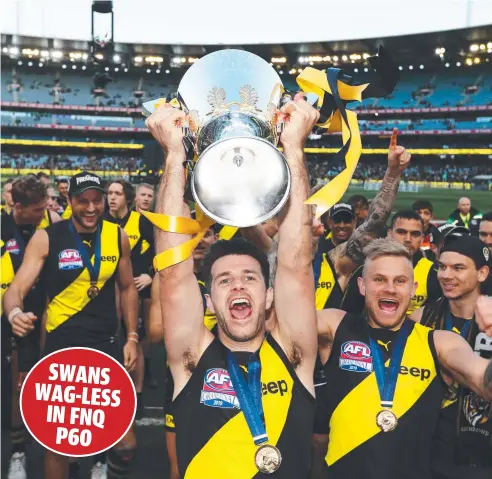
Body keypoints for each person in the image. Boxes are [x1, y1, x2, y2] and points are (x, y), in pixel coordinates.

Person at [144, 94, 318, 477]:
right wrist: (174, 157)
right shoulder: (192, 357)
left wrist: (293, 148)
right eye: (224, 280)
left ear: (269, 296)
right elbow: (173, 273)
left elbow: (295, 265)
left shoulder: (294, 353)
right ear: (209, 301)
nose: (238, 286)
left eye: (250, 278)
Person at [313, 238, 492, 479]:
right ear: (362, 285)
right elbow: (287, 320)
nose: (390, 288)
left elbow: (482, 378)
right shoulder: (336, 326)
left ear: (413, 289)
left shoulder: (439, 342)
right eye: (379, 280)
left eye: (400, 281)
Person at [3, 171, 139, 479]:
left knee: (126, 443)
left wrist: (131, 336)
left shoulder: (117, 235)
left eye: (96, 201)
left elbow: (128, 287)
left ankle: (101, 465)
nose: (91, 209)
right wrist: (14, 315)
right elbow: (16, 289)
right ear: (69, 201)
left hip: (106, 344)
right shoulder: (47, 236)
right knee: (59, 445)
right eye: (83, 202)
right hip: (61, 350)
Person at [410, 236, 491, 479]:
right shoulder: (421, 318)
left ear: (482, 273)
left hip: (483, 457)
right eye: (442, 267)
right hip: (428, 452)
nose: (446, 275)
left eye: (458, 268)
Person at [1, 176, 60, 479]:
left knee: (42, 380)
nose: (44, 212)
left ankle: (54, 446)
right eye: (37, 209)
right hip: (8, 315)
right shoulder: (2, 227)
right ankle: (17, 451)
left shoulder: (52, 223)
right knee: (14, 383)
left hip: (44, 315)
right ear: (18, 206)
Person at [105, 179, 155, 419]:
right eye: (109, 193)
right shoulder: (101, 222)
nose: (112, 197)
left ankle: (138, 395)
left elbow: (161, 250)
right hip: (108, 292)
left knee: (136, 340)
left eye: (117, 193)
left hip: (137, 289)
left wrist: (150, 275)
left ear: (127, 197)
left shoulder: (141, 221)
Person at [387, 210, 441, 314]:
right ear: (390, 234)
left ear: (422, 238)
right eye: (401, 232)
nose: (408, 239)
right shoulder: (370, 266)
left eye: (415, 234)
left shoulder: (432, 272)